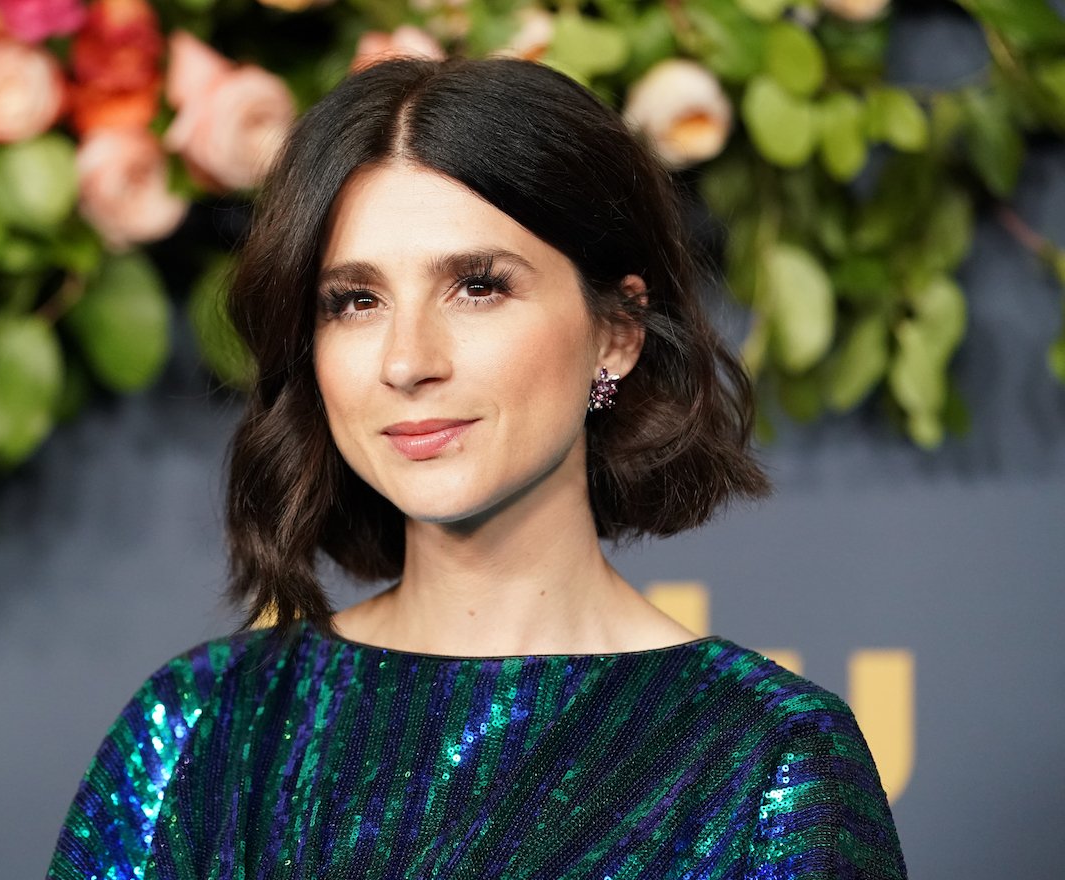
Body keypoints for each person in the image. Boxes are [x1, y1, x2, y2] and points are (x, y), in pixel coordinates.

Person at [47, 57, 908, 879]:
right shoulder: (202, 726)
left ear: (617, 332)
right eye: (355, 301)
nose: (407, 361)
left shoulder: (768, 758)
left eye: (478, 286)